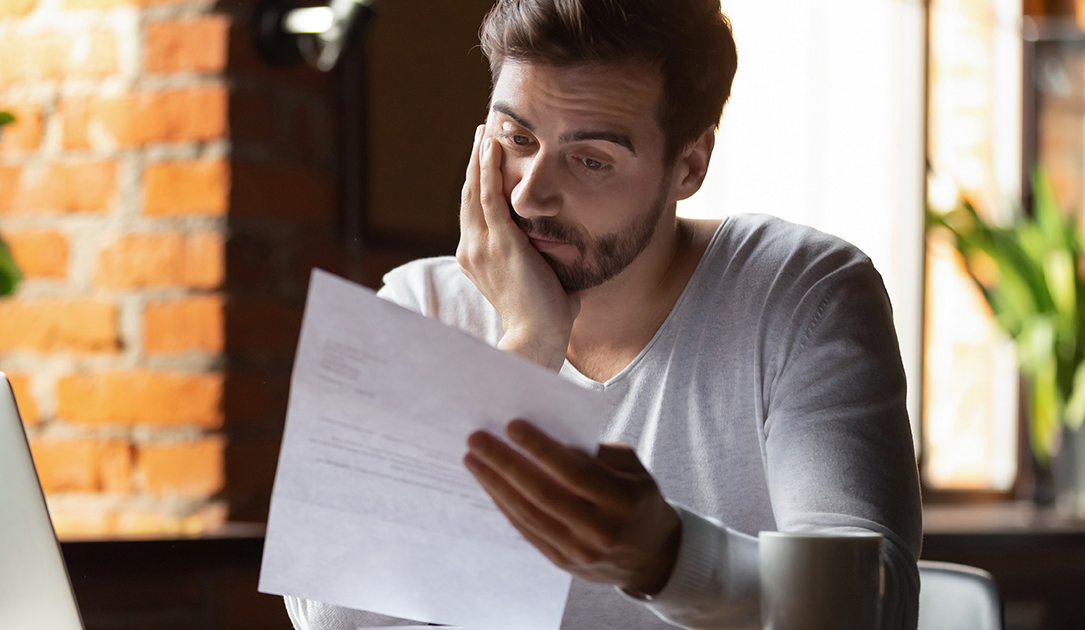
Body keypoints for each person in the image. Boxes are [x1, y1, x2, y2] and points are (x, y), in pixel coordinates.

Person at [286, 0, 922, 628]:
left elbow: (874, 601)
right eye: (517, 138)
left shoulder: (804, 293)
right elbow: (332, 618)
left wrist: (667, 558)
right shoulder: (418, 306)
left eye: (591, 160)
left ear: (690, 164)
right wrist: (528, 346)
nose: (531, 195)